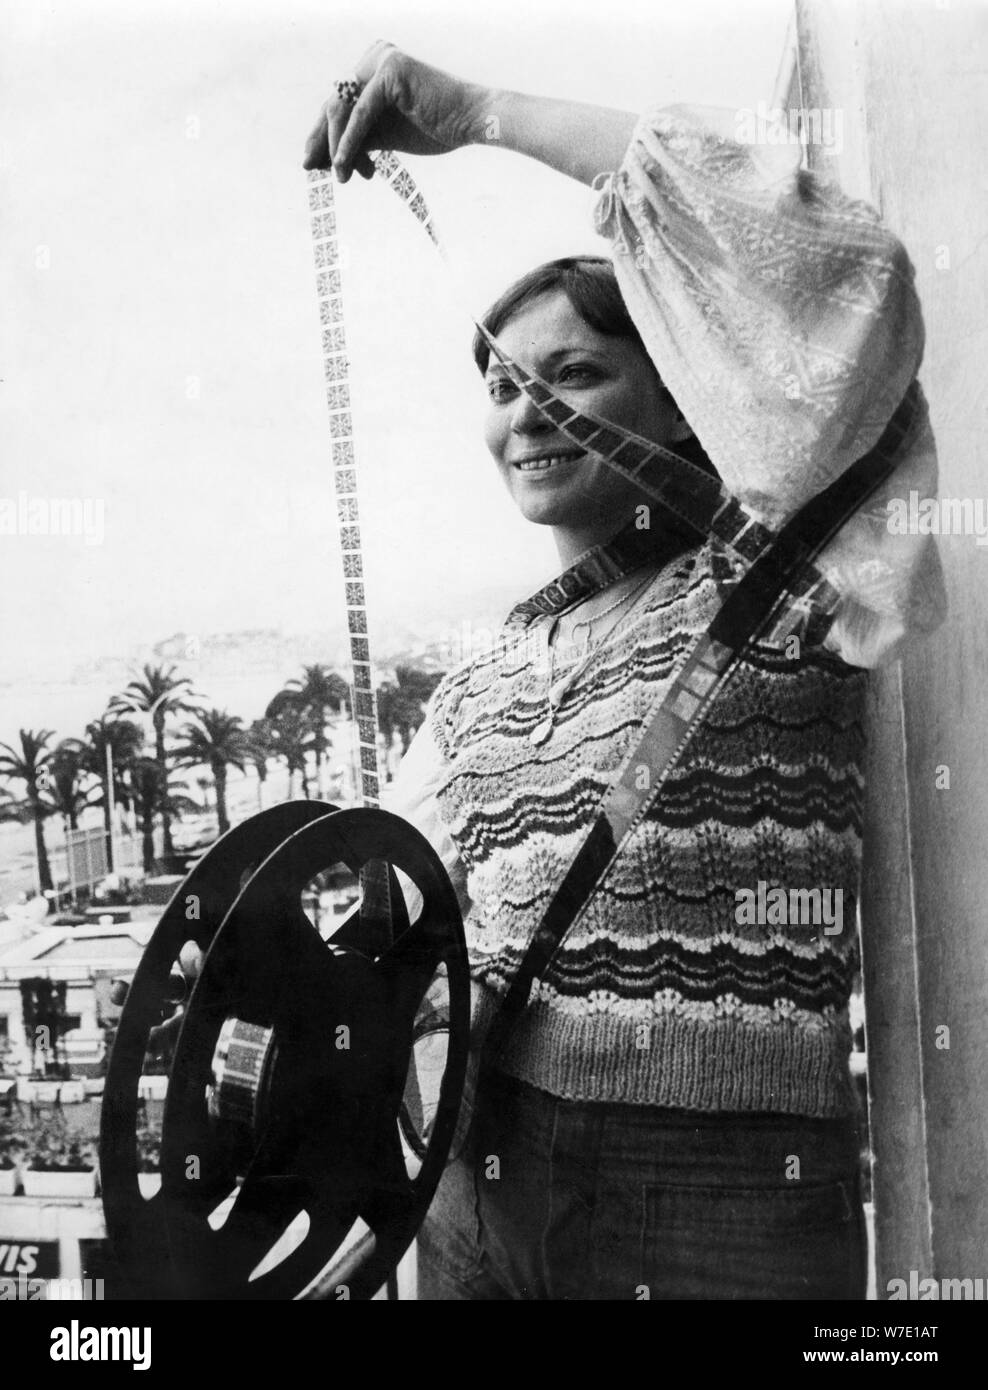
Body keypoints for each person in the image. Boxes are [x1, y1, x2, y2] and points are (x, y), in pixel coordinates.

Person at [304, 43, 945, 1299]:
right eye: (499, 383)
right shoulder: (485, 679)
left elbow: (837, 275)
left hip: (710, 1206)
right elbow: (376, 924)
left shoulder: (788, 578)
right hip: (471, 1181)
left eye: (574, 374)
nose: (524, 409)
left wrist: (478, 111)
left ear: (677, 397)